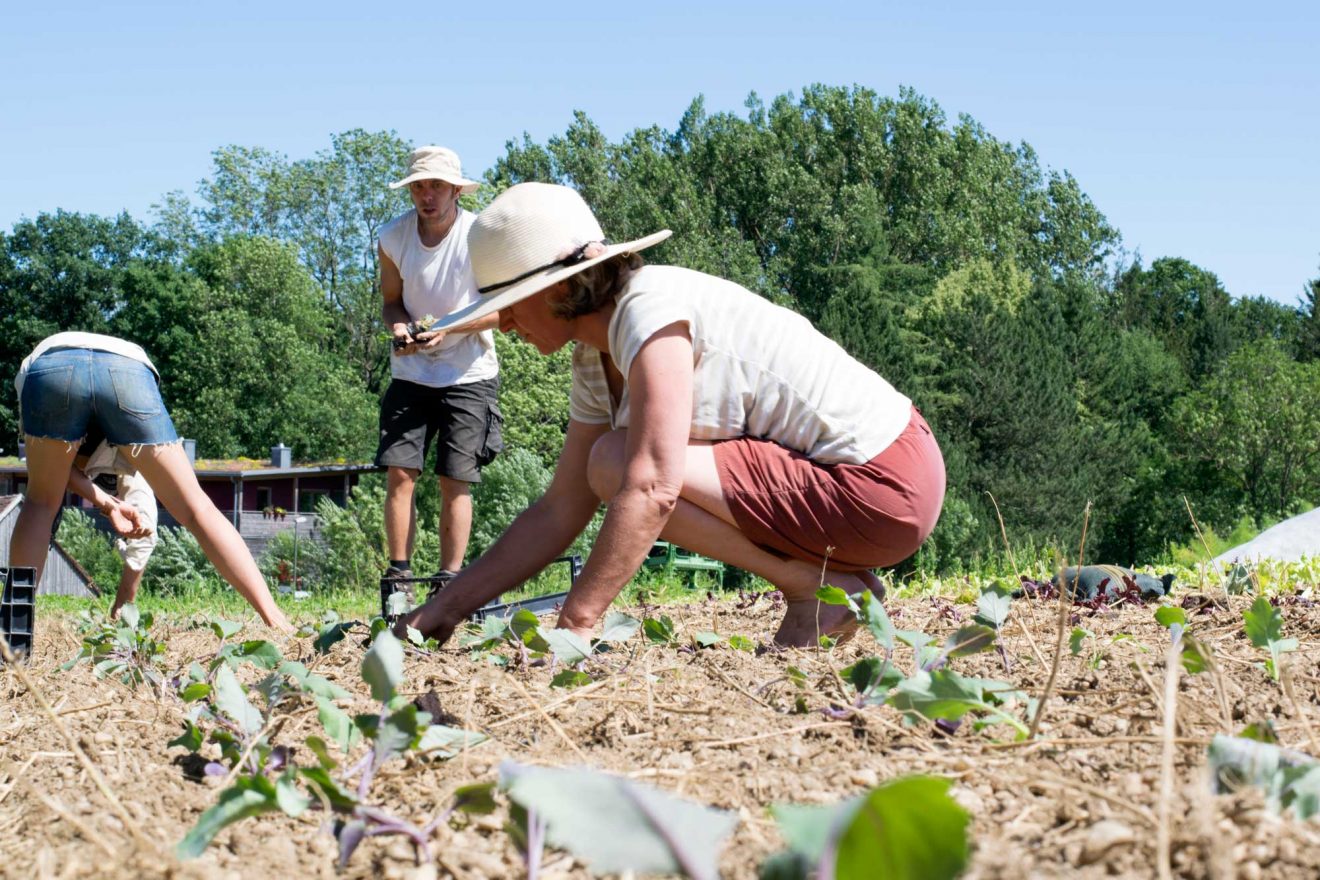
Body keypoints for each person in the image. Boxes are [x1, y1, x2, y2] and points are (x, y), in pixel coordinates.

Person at [399, 183, 946, 647]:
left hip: (883, 483)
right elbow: (560, 509)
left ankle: (814, 589)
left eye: (515, 301)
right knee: (610, 461)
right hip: (847, 489)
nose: (507, 323)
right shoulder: (595, 356)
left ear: (562, 287)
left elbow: (653, 488)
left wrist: (576, 625)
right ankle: (821, 587)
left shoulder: (649, 311)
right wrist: (445, 608)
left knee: (620, 463)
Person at [11, 332, 291, 631]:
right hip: (127, 369)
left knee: (40, 504)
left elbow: (52, 472)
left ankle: (11, 636)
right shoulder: (128, 459)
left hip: (51, 366)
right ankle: (276, 620)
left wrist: (107, 503)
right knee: (198, 509)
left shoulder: (39, 385)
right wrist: (109, 504)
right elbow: (145, 514)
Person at [376, 145, 503, 595]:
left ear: (455, 189)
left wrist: (450, 330)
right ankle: (399, 578)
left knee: (456, 478)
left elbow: (504, 310)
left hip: (469, 374)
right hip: (410, 372)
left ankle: (449, 582)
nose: (427, 195)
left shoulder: (480, 235)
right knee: (400, 472)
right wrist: (399, 329)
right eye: (419, 186)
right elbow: (392, 301)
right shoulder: (393, 238)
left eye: (436, 186)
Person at [78, 432, 159, 619]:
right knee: (44, 508)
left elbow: (144, 532)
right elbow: (60, 473)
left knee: (145, 526)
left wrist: (110, 506)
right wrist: (109, 505)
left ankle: (121, 613)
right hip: (74, 448)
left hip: (122, 439)